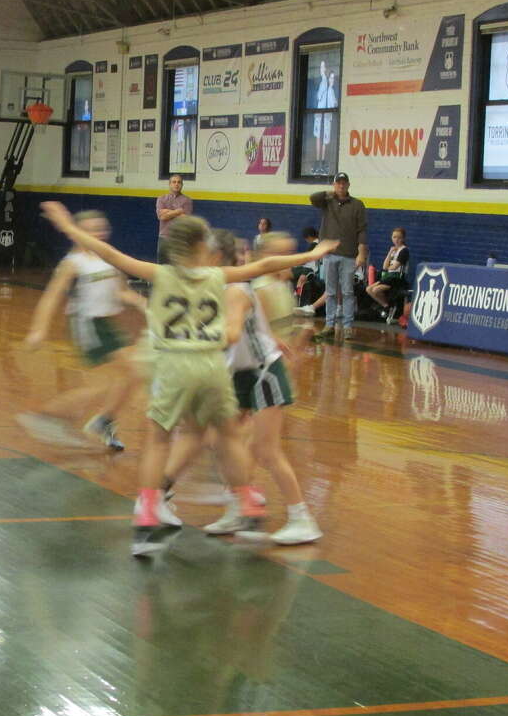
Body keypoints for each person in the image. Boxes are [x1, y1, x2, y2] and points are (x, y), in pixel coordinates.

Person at [41, 200, 335, 557]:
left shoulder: (160, 274)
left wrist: (67, 226)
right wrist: (311, 254)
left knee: (160, 440)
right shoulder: (217, 277)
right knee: (226, 435)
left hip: (175, 367)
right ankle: (246, 502)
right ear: (202, 248)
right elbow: (266, 265)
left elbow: (110, 253)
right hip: (209, 367)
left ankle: (148, 514)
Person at [204, 232, 321, 544]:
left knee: (264, 450)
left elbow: (229, 333)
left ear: (214, 259)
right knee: (221, 441)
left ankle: (301, 518)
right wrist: (273, 336)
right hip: (240, 373)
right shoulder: (226, 288)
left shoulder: (237, 291)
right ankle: (239, 503)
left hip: (262, 372)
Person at [17, 210, 143, 451]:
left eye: (101, 228)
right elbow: (51, 297)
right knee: (118, 379)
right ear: (77, 234)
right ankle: (48, 416)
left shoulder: (108, 257)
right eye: (91, 229)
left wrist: (142, 303)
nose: (98, 232)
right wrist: (39, 330)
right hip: (87, 324)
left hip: (107, 324)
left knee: (132, 376)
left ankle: (103, 420)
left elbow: (121, 290)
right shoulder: (73, 262)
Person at [310, 172, 367, 340]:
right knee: (330, 292)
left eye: (344, 183)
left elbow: (362, 230)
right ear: (334, 185)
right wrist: (329, 193)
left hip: (349, 255)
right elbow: (313, 198)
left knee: (348, 292)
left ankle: (348, 326)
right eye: (338, 183)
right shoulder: (327, 202)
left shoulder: (358, 205)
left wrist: (361, 253)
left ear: (349, 185)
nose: (341, 186)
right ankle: (329, 324)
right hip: (330, 255)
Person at [366, 227, 410, 321]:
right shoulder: (394, 251)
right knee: (369, 289)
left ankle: (389, 306)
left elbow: (394, 267)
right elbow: (385, 266)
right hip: (389, 277)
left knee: (376, 290)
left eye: (399, 238)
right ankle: (387, 306)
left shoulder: (404, 251)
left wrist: (388, 268)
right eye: (394, 237)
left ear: (403, 239)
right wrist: (390, 252)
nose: (396, 240)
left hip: (398, 278)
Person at [154, 175, 193, 262]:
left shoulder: (187, 200)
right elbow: (161, 216)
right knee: (162, 266)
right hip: (164, 238)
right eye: (174, 182)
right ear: (170, 184)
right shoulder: (161, 199)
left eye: (179, 182)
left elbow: (186, 219)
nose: (176, 184)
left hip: (179, 238)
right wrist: (178, 211)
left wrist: (168, 212)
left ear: (182, 185)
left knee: (178, 267)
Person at [313, 61, 338, 174]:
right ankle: (319, 162)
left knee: (323, 139)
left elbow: (333, 104)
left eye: (333, 78)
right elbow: (319, 97)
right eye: (331, 78)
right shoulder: (324, 84)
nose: (332, 80)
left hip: (325, 118)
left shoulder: (330, 89)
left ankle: (321, 162)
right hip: (322, 117)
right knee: (320, 138)